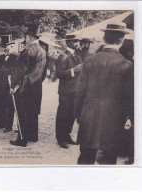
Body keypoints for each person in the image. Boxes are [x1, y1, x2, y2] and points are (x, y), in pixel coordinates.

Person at [74, 22, 133, 165]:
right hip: (113, 120)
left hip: (88, 117)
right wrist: (129, 117)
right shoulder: (127, 65)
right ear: (122, 40)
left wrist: (78, 115)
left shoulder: (89, 61)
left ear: (104, 38)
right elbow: (128, 97)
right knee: (107, 162)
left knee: (85, 159)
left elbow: (80, 92)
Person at [10, 24, 47, 147]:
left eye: (26, 37)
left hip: (24, 87)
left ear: (30, 37)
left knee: (22, 112)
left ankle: (22, 139)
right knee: (33, 112)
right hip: (36, 86)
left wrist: (13, 85)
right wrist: (37, 82)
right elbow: (44, 72)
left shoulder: (27, 50)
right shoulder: (43, 51)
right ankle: (33, 135)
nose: (25, 40)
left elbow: (20, 70)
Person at [55, 34, 81, 149]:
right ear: (69, 42)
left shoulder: (77, 56)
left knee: (71, 115)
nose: (77, 44)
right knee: (63, 115)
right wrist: (73, 70)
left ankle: (67, 136)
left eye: (78, 42)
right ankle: (61, 139)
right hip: (65, 92)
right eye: (75, 42)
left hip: (75, 91)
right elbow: (59, 73)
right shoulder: (63, 56)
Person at [0, 39, 18, 132]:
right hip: (0, 84)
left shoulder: (15, 56)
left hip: (9, 83)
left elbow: (15, 69)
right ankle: (2, 123)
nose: (7, 49)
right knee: (1, 103)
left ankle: (9, 126)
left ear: (12, 47)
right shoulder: (2, 56)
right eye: (5, 47)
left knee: (10, 105)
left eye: (9, 47)